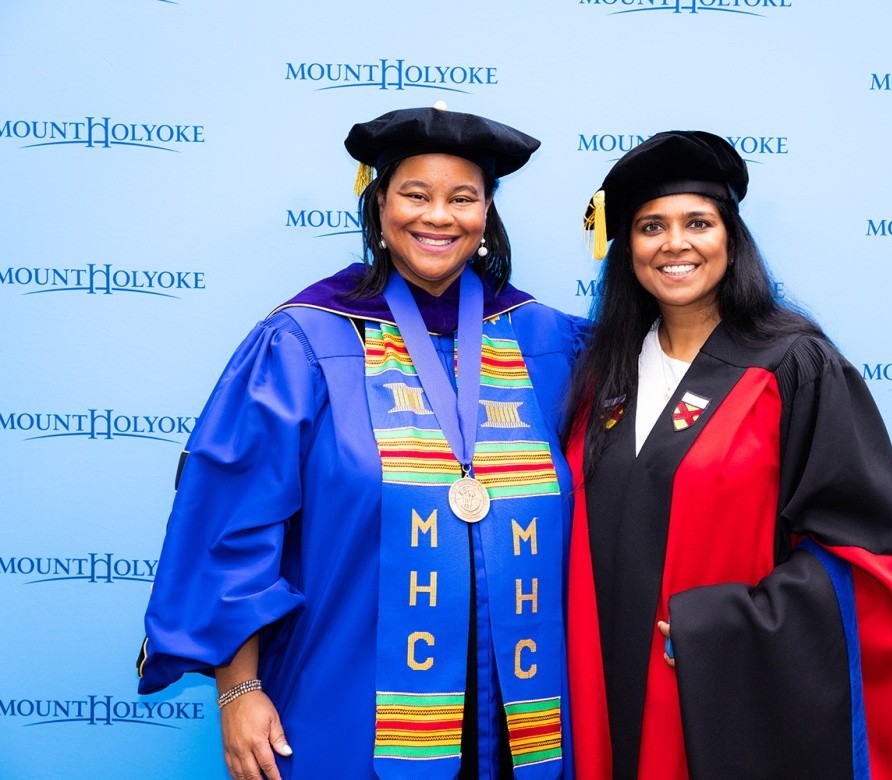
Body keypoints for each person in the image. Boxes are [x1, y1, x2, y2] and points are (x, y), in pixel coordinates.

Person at [137, 105, 586, 780]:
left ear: (486, 215)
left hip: (516, 705)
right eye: (415, 194)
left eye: (463, 198)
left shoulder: (545, 340)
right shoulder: (304, 341)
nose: (438, 216)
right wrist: (239, 688)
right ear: (379, 207)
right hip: (350, 703)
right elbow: (234, 522)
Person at [564, 131, 892, 780]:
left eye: (697, 222)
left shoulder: (793, 367)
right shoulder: (601, 376)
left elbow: (865, 555)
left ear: (731, 239)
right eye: (650, 226)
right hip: (602, 691)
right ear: (626, 250)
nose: (675, 243)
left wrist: (729, 626)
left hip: (714, 693)